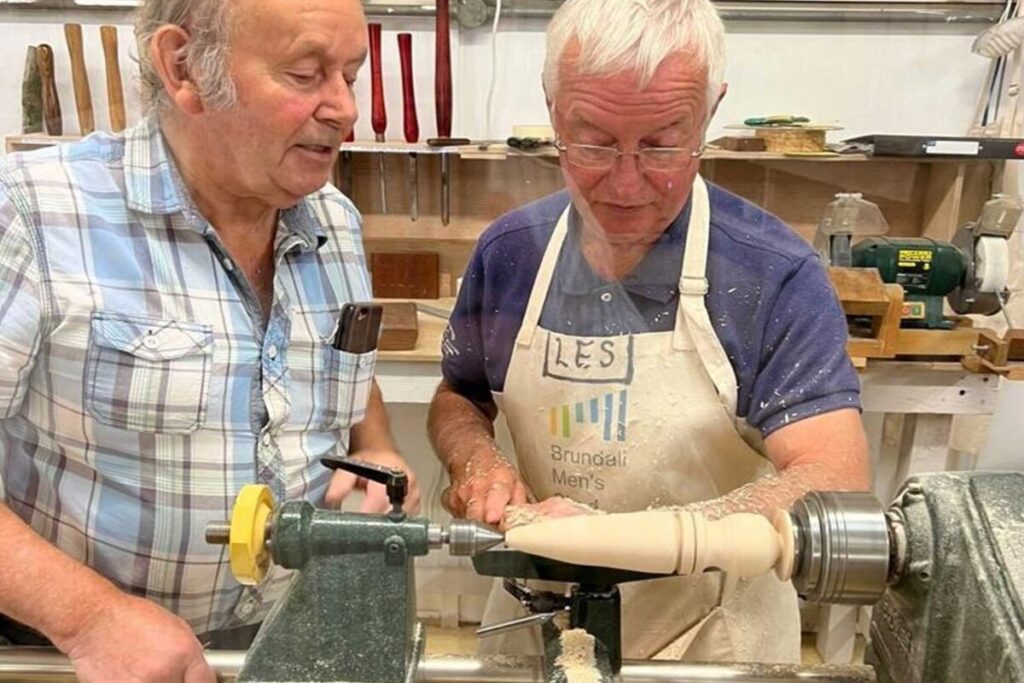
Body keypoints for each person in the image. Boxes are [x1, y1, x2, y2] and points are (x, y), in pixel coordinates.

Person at [428, 0, 871, 664]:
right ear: (552, 109)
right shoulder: (511, 253)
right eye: (594, 141)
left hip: (709, 640)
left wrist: (631, 535)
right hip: (534, 626)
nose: (628, 183)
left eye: (664, 142)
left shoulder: (770, 273)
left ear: (710, 111)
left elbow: (835, 474)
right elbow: (459, 396)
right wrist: (476, 461)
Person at [0, 0, 419, 680]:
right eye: (307, 74)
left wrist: (375, 444)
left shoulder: (333, 220)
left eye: (351, 73)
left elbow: (333, 355)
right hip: (79, 656)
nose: (345, 109)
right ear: (184, 66)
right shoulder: (37, 212)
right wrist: (90, 617)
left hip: (284, 638)